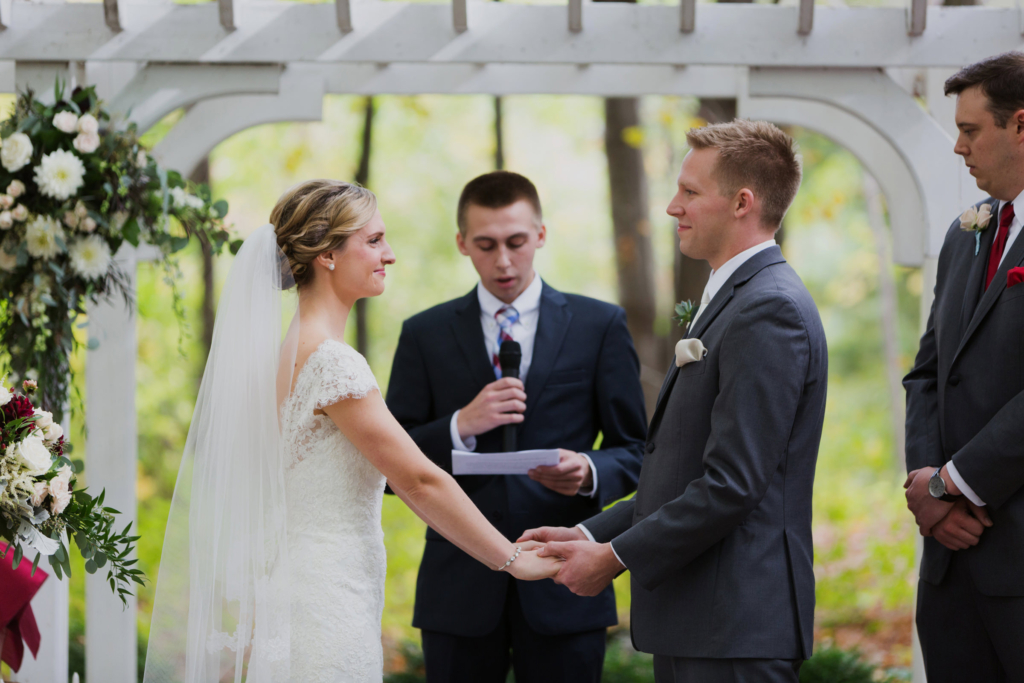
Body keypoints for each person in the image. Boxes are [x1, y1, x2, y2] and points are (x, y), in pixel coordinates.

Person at [142, 180, 562, 683]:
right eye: (374, 240)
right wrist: (512, 558)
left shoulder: (288, 351)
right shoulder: (333, 363)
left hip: (297, 589)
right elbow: (418, 482)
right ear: (328, 255)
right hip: (325, 601)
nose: (389, 254)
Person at [522, 120, 827, 683]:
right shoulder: (734, 298)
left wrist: (615, 559)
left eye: (689, 192)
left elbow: (731, 484)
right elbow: (683, 469)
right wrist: (590, 534)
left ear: (742, 202)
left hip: (735, 624)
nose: (671, 206)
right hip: (705, 620)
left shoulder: (769, 310)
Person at [386, 171, 646, 683]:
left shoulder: (600, 326)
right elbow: (392, 467)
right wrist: (462, 423)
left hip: (563, 579)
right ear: (462, 243)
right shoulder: (423, 334)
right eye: (485, 245)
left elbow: (637, 449)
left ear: (541, 236)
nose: (503, 260)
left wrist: (589, 470)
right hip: (457, 589)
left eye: (516, 242)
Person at [903, 52, 1024, 682]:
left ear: (1021, 126)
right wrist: (928, 490)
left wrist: (954, 485)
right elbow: (928, 374)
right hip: (949, 563)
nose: (957, 147)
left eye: (971, 130)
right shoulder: (965, 233)